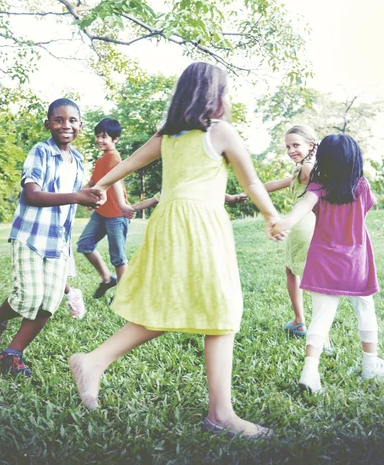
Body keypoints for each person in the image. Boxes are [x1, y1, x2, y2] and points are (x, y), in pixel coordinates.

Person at [69, 61, 286, 438]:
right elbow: (251, 182)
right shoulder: (220, 133)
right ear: (215, 96)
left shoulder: (169, 135)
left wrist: (99, 185)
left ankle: (94, 361)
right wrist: (271, 215)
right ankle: (221, 415)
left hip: (168, 221)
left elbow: (133, 161)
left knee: (172, 302)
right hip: (199, 222)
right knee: (221, 308)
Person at [0, 98, 102, 378]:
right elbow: (31, 195)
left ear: (80, 125)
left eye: (72, 121)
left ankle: (12, 354)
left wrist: (88, 196)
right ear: (48, 124)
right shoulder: (40, 152)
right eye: (58, 120)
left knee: (49, 302)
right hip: (31, 236)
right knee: (28, 298)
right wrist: (76, 196)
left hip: (58, 240)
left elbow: (71, 195)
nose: (65, 125)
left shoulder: (79, 159)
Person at [272, 134, 383, 393]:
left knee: (321, 318)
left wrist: (285, 223)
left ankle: (310, 372)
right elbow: (366, 208)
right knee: (366, 310)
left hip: (324, 262)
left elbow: (302, 208)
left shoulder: (318, 187)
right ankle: (370, 365)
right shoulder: (362, 187)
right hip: (356, 262)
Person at [238, 125, 319, 338]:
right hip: (301, 226)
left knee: (310, 278)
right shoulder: (300, 168)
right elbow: (278, 183)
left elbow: (318, 185)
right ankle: (299, 321)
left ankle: (314, 329)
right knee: (292, 271)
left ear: (311, 145)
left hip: (304, 225)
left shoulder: (308, 168)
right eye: (288, 146)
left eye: (296, 145)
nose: (291, 150)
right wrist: (250, 190)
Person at [77, 118, 135, 299]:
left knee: (118, 257)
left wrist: (122, 205)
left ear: (115, 139)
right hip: (101, 213)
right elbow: (93, 182)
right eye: (97, 136)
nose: (99, 140)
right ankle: (107, 278)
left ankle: (124, 297)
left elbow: (116, 180)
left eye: (104, 137)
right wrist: (77, 195)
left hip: (117, 215)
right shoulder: (101, 160)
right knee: (85, 245)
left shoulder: (114, 158)